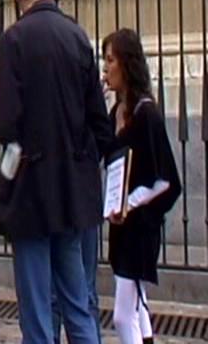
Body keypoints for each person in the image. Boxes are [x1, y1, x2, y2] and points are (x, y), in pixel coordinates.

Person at [0, 0, 115, 344]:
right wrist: (80, 164)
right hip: (74, 194)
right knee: (78, 301)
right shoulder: (78, 36)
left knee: (37, 311)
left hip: (30, 191)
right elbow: (100, 121)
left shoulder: (14, 40)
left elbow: (6, 125)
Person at [102, 29, 182, 344]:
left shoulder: (147, 115)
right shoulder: (114, 114)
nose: (105, 68)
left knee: (123, 314)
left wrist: (130, 203)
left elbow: (167, 180)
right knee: (138, 306)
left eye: (110, 60)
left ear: (127, 64)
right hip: (121, 229)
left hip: (140, 229)